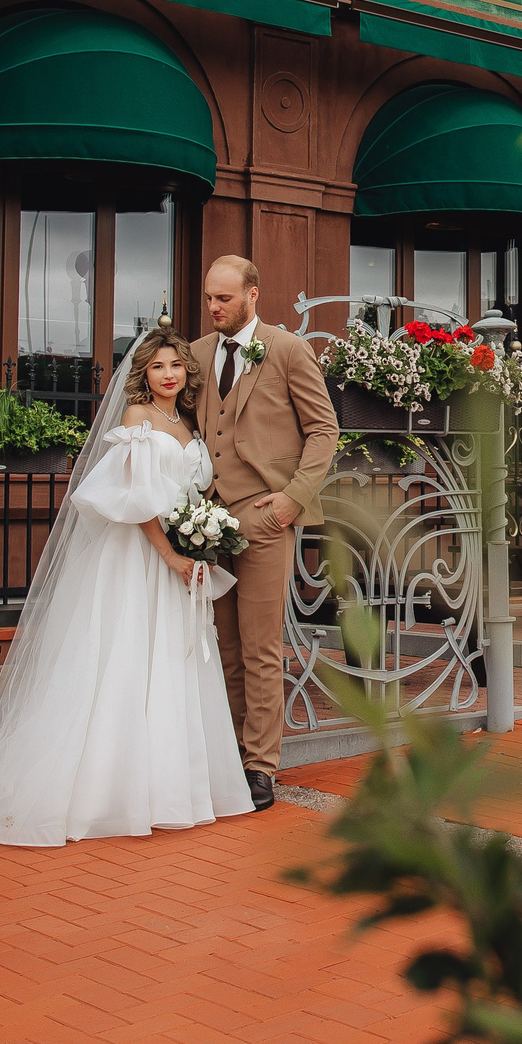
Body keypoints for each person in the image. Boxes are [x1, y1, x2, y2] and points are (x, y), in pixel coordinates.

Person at [0, 328, 253, 845]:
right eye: (158, 366)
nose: (168, 375)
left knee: (170, 661)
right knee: (125, 657)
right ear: (143, 373)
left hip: (181, 558)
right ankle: (108, 793)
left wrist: (201, 538)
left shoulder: (185, 420)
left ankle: (171, 785)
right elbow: (137, 500)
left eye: (176, 366)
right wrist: (170, 554)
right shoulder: (136, 419)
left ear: (187, 372)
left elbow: (190, 491)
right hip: (139, 558)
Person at [193, 255, 338, 811]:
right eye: (209, 298)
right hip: (209, 520)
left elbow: (324, 430)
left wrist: (290, 502)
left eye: (224, 299)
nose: (213, 308)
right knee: (223, 646)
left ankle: (260, 766)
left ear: (253, 294)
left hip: (265, 515)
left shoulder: (287, 349)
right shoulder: (199, 355)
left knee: (261, 648)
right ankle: (229, 752)